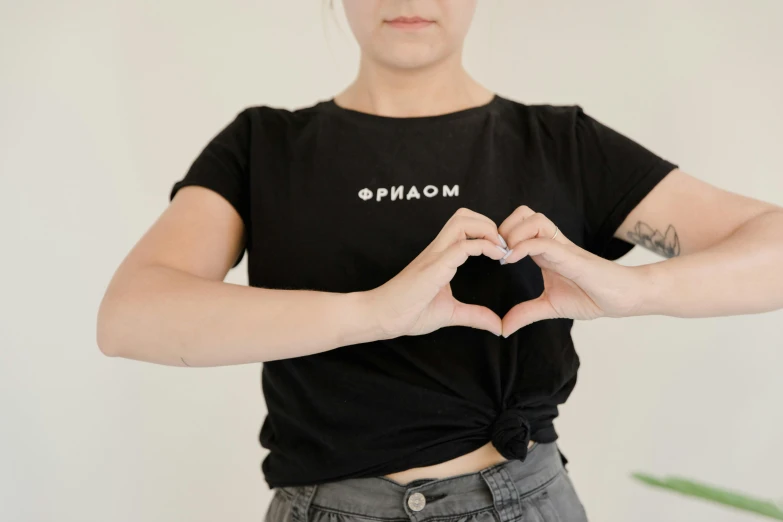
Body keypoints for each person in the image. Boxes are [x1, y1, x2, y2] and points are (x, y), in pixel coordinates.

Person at [96, 1, 783, 521]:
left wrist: (630, 289)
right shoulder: (261, 145)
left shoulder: (559, 143)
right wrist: (374, 312)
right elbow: (130, 317)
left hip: (520, 500)